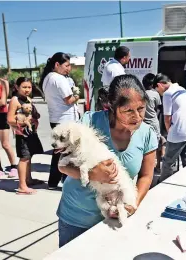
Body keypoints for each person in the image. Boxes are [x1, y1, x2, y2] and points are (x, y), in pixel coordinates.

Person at [56, 74, 158, 247]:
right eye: (128, 111)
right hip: (76, 217)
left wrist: (132, 204)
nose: (137, 117)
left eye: (141, 108)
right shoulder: (90, 122)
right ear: (112, 106)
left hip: (112, 220)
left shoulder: (147, 133)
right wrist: (92, 174)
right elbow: (62, 165)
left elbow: (146, 176)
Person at [40, 52, 80, 189]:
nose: (69, 68)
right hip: (65, 120)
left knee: (61, 152)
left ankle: (57, 180)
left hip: (56, 119)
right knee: (65, 153)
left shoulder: (47, 78)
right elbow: (69, 100)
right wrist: (77, 95)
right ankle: (61, 181)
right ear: (57, 64)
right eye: (66, 65)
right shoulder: (59, 78)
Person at [153, 74, 186, 183]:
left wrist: (169, 132)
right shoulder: (182, 89)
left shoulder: (168, 94)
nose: (159, 93)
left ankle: (163, 184)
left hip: (178, 131)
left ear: (159, 85)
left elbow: (167, 117)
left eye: (158, 90)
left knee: (168, 161)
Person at [7, 77, 45, 195]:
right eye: (24, 87)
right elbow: (9, 120)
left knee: (29, 156)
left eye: (29, 87)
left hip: (30, 133)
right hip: (22, 134)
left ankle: (28, 179)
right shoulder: (15, 100)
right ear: (17, 87)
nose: (27, 89)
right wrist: (23, 123)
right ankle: (22, 186)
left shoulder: (28, 99)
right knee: (24, 158)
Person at [142, 73, 164, 171]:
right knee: (157, 145)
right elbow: (158, 108)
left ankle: (145, 167)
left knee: (144, 145)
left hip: (143, 123)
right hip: (153, 122)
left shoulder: (141, 93)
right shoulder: (155, 94)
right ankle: (158, 166)